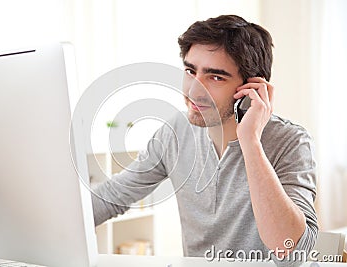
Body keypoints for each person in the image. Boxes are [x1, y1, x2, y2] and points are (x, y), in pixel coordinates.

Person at [92, 15, 317, 265]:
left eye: (216, 77)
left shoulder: (291, 141)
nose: (193, 91)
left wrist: (251, 142)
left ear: (251, 88)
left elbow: (293, 255)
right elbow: (112, 196)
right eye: (190, 71)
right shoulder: (175, 132)